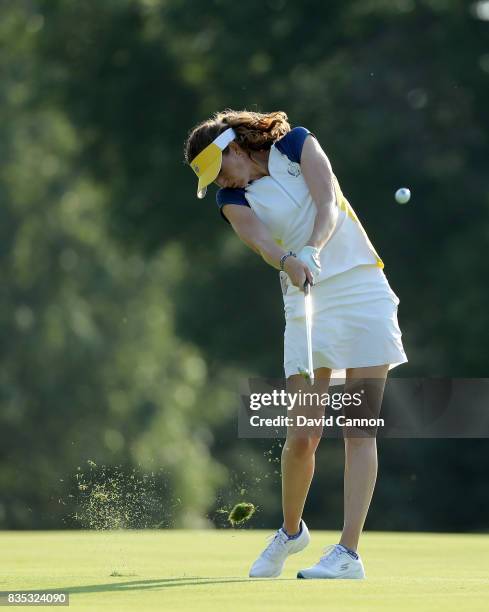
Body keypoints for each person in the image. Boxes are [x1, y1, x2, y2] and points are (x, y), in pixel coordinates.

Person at [183, 109, 408, 580]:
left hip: (362, 287)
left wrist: (313, 249)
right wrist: (289, 260)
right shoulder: (230, 197)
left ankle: (348, 554)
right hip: (306, 302)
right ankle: (290, 533)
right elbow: (262, 241)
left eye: (220, 165)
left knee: (359, 428)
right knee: (303, 435)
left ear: (235, 147)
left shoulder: (297, 144)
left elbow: (329, 202)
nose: (222, 178)